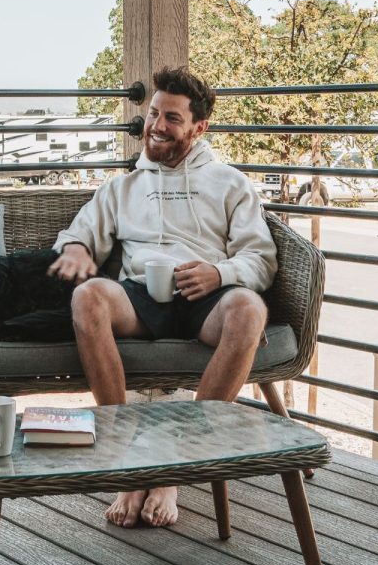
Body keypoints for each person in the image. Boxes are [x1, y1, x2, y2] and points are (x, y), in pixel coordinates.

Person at [47, 66, 276, 529]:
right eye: (154, 113)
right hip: (141, 299)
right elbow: (78, 235)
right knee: (89, 296)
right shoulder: (124, 186)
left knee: (249, 308)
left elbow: (262, 260)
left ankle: (174, 466)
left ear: (199, 127)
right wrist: (74, 247)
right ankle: (128, 462)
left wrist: (220, 272)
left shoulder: (230, 184)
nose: (156, 126)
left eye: (172, 118)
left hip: (206, 299)